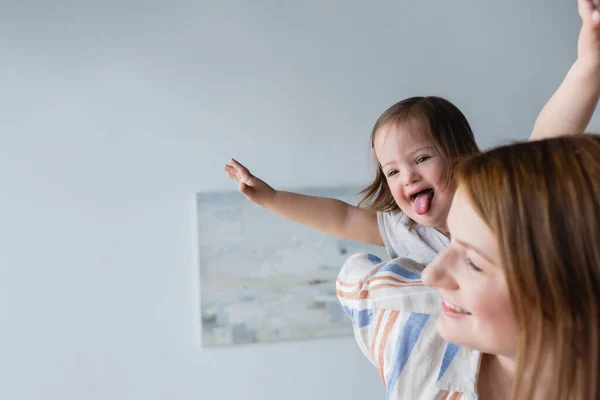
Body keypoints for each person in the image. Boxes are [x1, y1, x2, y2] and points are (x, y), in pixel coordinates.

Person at [224, 0, 600, 266]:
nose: (408, 177)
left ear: (461, 155)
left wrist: (588, 65)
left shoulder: (496, 200)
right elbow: (339, 218)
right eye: (392, 171)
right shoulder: (405, 230)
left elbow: (549, 138)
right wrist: (271, 198)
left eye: (420, 158)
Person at [336, 134, 600, 400]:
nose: (430, 274)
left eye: (473, 262)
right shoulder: (403, 329)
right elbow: (356, 281)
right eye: (451, 242)